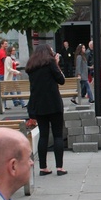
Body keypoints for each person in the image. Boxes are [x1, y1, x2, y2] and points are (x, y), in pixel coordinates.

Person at [26, 44, 68, 176]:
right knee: (57, 135)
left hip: (38, 104)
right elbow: (61, 80)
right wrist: (56, 64)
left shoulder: (31, 65)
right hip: (53, 103)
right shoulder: (50, 62)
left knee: (43, 135)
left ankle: (43, 167)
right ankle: (59, 167)